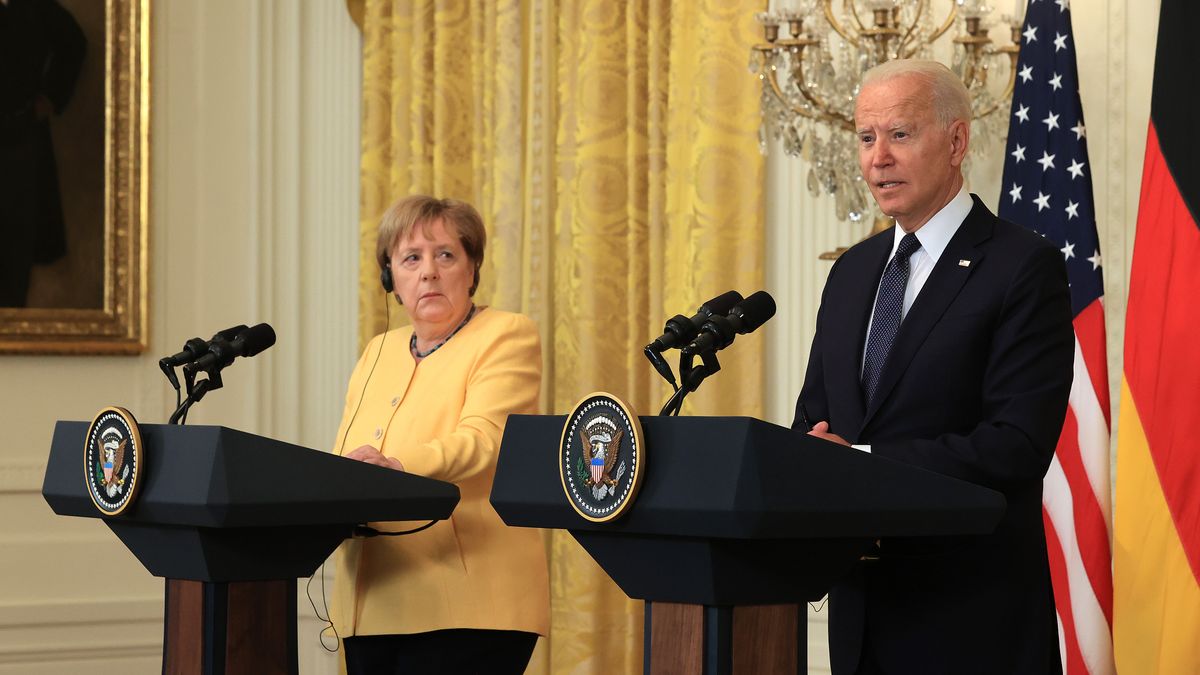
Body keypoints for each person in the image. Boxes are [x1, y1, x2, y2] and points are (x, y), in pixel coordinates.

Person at [794, 60, 1074, 674]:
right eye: (866, 138)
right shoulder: (850, 274)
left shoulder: (1023, 267)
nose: (877, 159)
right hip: (860, 619)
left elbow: (1016, 445)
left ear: (956, 141)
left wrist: (860, 466)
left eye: (899, 134)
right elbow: (816, 420)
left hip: (970, 623)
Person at [331, 195, 549, 674]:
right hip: (371, 600)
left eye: (445, 255)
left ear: (471, 269)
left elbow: (486, 439)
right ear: (391, 279)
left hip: (471, 602)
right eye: (411, 258)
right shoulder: (377, 351)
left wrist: (398, 469)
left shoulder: (506, 334)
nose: (428, 271)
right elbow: (347, 453)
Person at [0, 0, 86, 307]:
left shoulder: (34, 7)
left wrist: (50, 98)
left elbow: (73, 44)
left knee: (16, 246)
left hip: (21, 141)